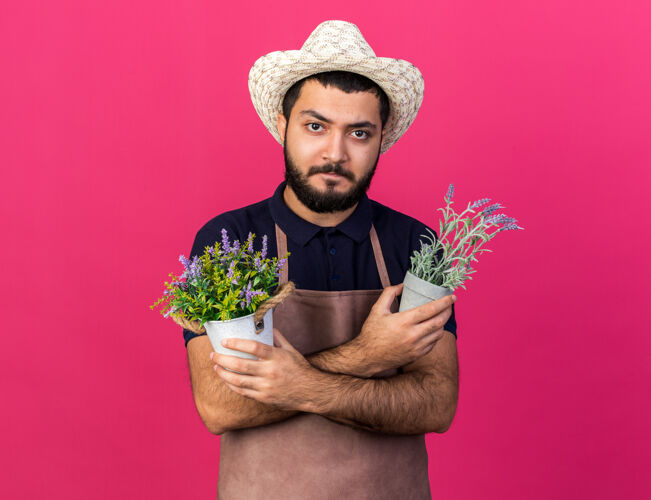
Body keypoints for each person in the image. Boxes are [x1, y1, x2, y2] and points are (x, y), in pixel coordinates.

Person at [183, 20, 459, 500]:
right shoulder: (229, 241)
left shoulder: (417, 244)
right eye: (316, 126)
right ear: (283, 126)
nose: (335, 153)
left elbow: (435, 404)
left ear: (380, 139)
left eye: (358, 132)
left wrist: (301, 385)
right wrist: (367, 357)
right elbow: (221, 406)